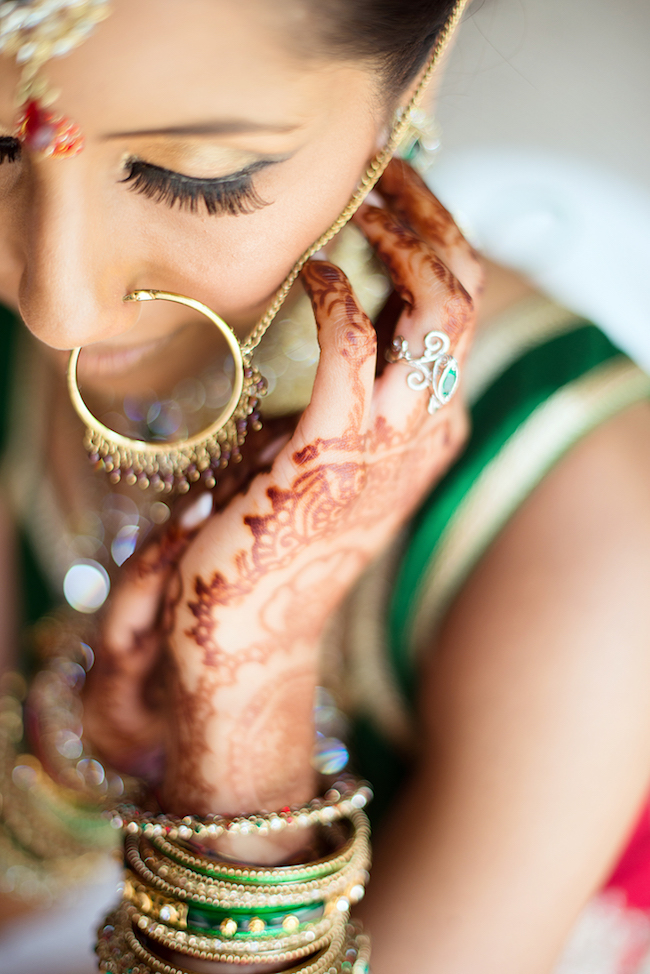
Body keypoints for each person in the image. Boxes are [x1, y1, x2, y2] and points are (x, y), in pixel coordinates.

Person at [1, 2, 650, 973]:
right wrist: (79, 759)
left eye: (196, 178)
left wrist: (244, 722)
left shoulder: (587, 522)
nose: (57, 308)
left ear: (412, 87)